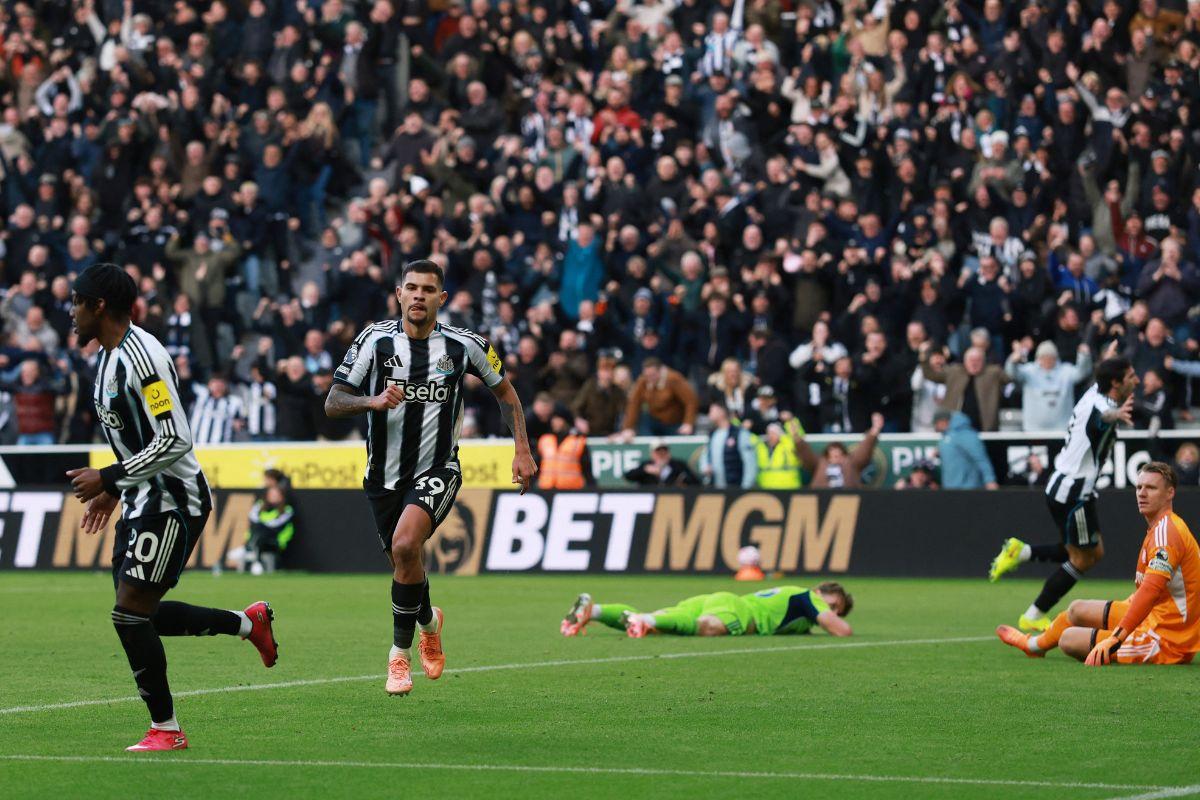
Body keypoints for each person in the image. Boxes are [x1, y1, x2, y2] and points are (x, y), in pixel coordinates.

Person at [64, 263, 277, 752]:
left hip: (175, 502)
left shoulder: (143, 358)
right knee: (144, 615)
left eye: (77, 302)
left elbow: (176, 438)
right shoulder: (107, 359)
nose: (71, 312)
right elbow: (135, 438)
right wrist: (115, 491)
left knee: (128, 614)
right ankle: (248, 623)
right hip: (141, 499)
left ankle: (166, 729)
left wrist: (110, 476)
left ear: (99, 306)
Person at [324, 259, 537, 696]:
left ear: (442, 298)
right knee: (405, 563)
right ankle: (429, 621)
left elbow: (506, 393)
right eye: (411, 288)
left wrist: (522, 449)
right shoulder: (374, 341)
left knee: (405, 546)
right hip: (382, 476)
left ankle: (398, 657)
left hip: (439, 468)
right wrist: (372, 401)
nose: (419, 296)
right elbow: (333, 401)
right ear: (399, 295)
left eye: (428, 289)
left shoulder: (466, 346)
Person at [988, 357, 1139, 632]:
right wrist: (1115, 416)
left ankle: (1021, 552)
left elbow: (1103, 385)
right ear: (1116, 383)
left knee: (1089, 551)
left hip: (1065, 486)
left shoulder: (1097, 389)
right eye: (1131, 376)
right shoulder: (1103, 407)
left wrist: (1109, 354)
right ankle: (1034, 614)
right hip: (1074, 494)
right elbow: (1100, 418)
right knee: (1083, 558)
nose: (1137, 380)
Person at [996, 462, 1200, 666]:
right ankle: (1033, 646)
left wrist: (1116, 637)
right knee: (1077, 609)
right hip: (1155, 617)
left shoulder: (1167, 534)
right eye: (1139, 487)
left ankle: (1114, 640)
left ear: (1170, 493)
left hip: (1168, 639)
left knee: (1068, 639)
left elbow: (1150, 590)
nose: (1142, 493)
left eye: (1151, 488)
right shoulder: (1160, 527)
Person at [559, 583, 853, 639]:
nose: (833, 612)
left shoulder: (797, 611)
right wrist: (833, 619)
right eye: (834, 604)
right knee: (709, 627)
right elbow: (843, 631)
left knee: (665, 623)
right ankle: (644, 619)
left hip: (722, 599)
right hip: (739, 612)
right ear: (821, 592)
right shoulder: (808, 597)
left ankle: (594, 610)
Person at [1004, 341, 1094, 432]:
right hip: (1033, 430)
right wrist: (1013, 360)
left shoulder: (1066, 371)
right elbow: (1012, 373)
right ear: (1038, 358)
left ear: (1056, 358)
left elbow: (1082, 373)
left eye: (1050, 357)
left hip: (1062, 430)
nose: (1047, 360)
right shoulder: (1029, 371)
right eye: (1043, 357)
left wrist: (1084, 356)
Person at [794, 412, 883, 488]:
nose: (836, 457)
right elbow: (806, 454)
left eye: (839, 454)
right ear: (827, 455)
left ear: (844, 454)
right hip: (822, 500)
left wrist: (875, 429)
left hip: (850, 501)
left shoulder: (852, 462)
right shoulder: (819, 463)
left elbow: (865, 449)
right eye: (832, 455)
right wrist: (796, 436)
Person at [933, 410, 999, 490]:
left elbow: (980, 458)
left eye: (936, 423)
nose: (935, 427)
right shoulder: (945, 437)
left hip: (968, 488)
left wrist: (990, 480)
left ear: (943, 421)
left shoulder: (966, 434)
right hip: (950, 488)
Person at [699, 402, 756, 489]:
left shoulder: (739, 433)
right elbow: (705, 455)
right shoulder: (712, 434)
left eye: (712, 410)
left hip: (735, 487)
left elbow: (750, 463)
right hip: (717, 489)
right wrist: (705, 467)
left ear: (721, 412)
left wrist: (746, 487)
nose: (709, 414)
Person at [243, 485, 296, 574]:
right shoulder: (260, 505)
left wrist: (262, 524)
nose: (273, 497)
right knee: (259, 531)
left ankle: (249, 551)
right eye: (271, 494)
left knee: (262, 530)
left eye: (276, 495)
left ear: (281, 496)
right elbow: (253, 517)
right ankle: (253, 556)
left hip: (276, 540)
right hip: (260, 537)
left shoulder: (287, 509)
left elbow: (276, 525)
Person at [537, 411, 594, 489]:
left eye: (558, 419)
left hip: (570, 490)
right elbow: (536, 466)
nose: (555, 422)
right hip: (546, 489)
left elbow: (587, 469)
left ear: (566, 421)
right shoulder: (545, 440)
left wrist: (593, 488)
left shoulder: (578, 441)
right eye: (553, 419)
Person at [624, 439, 700, 486]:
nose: (661, 455)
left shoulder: (678, 465)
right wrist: (646, 470)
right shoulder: (646, 465)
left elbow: (695, 482)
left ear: (669, 453)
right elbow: (628, 476)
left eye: (664, 452)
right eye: (658, 453)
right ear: (652, 454)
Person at [754, 421, 802, 489]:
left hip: (788, 487)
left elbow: (799, 439)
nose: (770, 436)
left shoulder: (788, 445)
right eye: (768, 433)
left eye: (773, 433)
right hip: (766, 488)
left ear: (780, 434)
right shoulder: (762, 447)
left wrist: (791, 426)